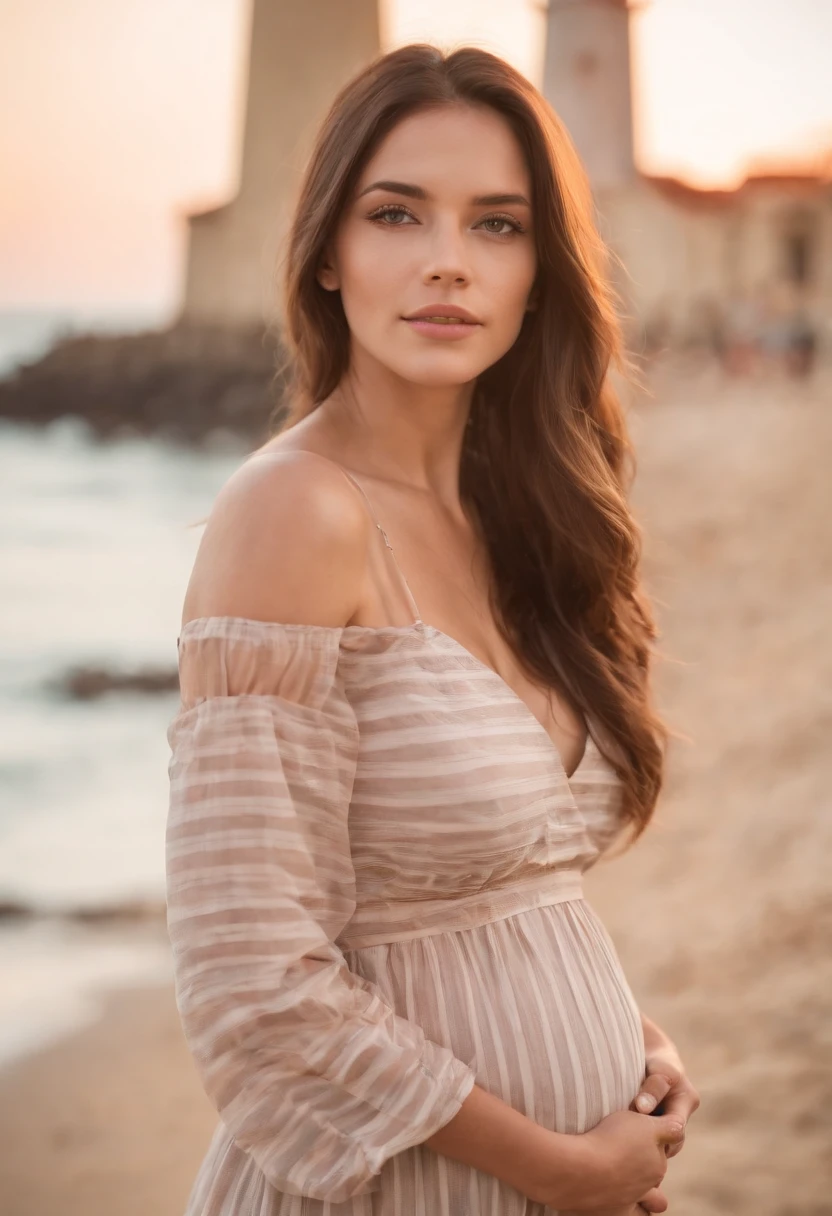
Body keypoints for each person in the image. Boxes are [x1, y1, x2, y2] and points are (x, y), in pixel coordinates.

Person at [166, 43, 700, 1216]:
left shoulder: (518, 517)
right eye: (397, 214)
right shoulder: (292, 511)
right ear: (327, 256)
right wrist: (558, 1164)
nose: (447, 263)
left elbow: (496, 905)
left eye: (498, 225)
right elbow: (252, 981)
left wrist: (630, 1045)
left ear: (540, 272)